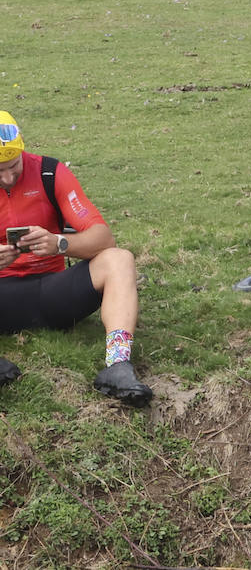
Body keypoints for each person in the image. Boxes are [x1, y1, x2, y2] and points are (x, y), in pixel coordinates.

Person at [0, 112, 152, 405]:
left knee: (119, 260)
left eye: (14, 167)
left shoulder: (48, 172)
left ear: (23, 150)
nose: (7, 178)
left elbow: (103, 238)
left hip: (54, 292)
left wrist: (59, 243)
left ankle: (118, 366)